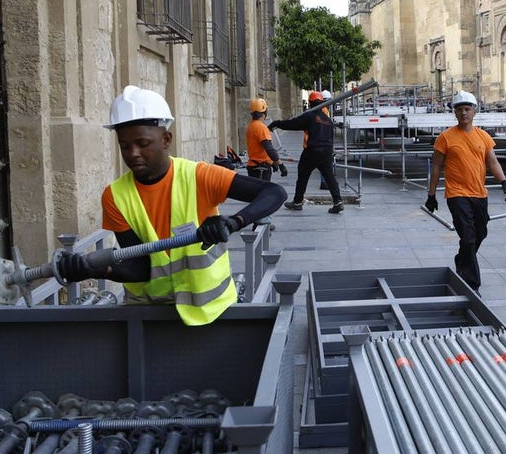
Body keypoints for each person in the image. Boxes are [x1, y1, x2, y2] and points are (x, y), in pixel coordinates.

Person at [56, 86, 287, 324]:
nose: (133, 153)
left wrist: (233, 222)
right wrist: (92, 269)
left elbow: (274, 193)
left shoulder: (198, 177)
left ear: (166, 139)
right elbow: (141, 267)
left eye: (142, 143)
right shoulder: (115, 196)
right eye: (125, 146)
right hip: (149, 317)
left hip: (211, 313)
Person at [424, 90, 506, 292]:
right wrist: (431, 195)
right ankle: (472, 284)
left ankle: (462, 259)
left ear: (474, 111)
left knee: (480, 232)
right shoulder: (445, 138)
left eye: (467, 109)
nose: (463, 113)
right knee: (468, 236)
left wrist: (504, 181)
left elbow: (492, 161)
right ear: (455, 113)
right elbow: (436, 166)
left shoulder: (484, 137)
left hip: (479, 194)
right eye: (459, 110)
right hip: (456, 194)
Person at [270, 91, 344, 214]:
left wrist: (276, 123)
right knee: (329, 177)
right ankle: (338, 201)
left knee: (303, 175)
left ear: (310, 103)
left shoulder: (309, 116)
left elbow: (292, 124)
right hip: (326, 152)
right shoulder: (327, 119)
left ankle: (298, 202)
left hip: (313, 151)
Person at [245, 98, 287, 182]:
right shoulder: (261, 127)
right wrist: (280, 164)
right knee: (263, 193)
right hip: (261, 168)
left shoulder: (251, 126)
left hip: (253, 166)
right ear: (264, 113)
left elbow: (258, 150)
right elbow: (269, 148)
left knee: (256, 193)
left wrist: (271, 163)